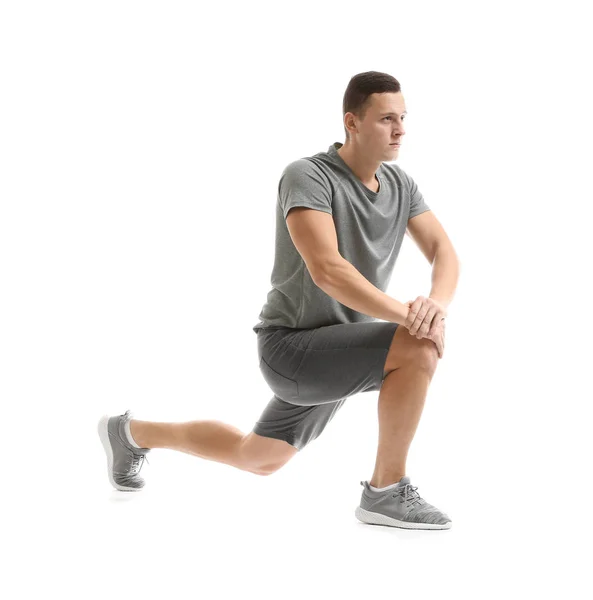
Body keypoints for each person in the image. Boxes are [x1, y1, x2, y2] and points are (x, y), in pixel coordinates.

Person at [97, 71, 460, 530]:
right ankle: (385, 491)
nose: (401, 129)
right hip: (292, 348)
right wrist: (412, 319)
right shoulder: (307, 176)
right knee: (416, 346)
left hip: (339, 344)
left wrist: (436, 305)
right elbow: (328, 271)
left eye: (403, 118)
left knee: (258, 457)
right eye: (387, 118)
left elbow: (444, 252)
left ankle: (130, 433)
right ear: (352, 122)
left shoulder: (400, 185)